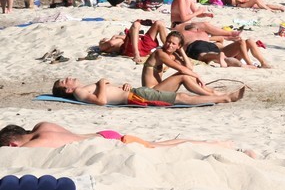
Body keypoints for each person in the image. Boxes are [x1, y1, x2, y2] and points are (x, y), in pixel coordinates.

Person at [0, 122, 256, 157]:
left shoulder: (31, 146)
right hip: (106, 135)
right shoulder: (42, 126)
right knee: (165, 143)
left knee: (171, 147)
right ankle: (219, 144)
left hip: (114, 145)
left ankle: (226, 149)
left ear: (13, 144)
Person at [51, 76, 244, 106]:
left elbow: (107, 94)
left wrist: (122, 85)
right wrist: (102, 83)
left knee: (181, 82)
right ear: (67, 90)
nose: (68, 78)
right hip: (136, 97)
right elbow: (101, 102)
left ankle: (215, 95)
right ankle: (224, 98)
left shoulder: (82, 88)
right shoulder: (78, 93)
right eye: (64, 81)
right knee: (181, 97)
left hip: (134, 90)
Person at [140, 30, 216, 95]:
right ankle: (208, 94)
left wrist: (181, 51)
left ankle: (210, 91)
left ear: (179, 46)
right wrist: (197, 76)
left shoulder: (172, 55)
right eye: (168, 42)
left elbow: (189, 68)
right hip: (150, 92)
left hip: (159, 88)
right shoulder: (160, 53)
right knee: (183, 76)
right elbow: (182, 69)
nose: (169, 45)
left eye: (173, 44)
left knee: (187, 74)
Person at [170, 0, 241, 38]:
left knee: (206, 26)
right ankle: (230, 33)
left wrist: (205, 14)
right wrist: (198, 12)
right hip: (177, 26)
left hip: (186, 25)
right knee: (204, 25)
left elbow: (197, 13)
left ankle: (226, 36)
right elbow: (184, 18)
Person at [182, 24, 271, 68]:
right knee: (244, 41)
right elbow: (220, 38)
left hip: (196, 45)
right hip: (209, 45)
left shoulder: (185, 34)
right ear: (197, 29)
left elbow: (177, 44)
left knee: (206, 55)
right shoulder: (202, 33)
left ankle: (251, 64)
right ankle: (262, 63)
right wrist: (228, 38)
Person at [99, 19, 167, 63]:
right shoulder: (113, 43)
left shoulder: (122, 38)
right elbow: (110, 43)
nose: (106, 38)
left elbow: (130, 37)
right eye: (104, 39)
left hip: (143, 43)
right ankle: (136, 54)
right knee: (136, 24)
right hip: (133, 49)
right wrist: (113, 38)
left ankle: (169, 47)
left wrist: (118, 36)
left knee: (159, 23)